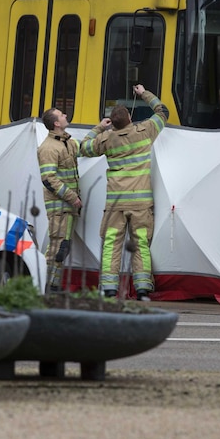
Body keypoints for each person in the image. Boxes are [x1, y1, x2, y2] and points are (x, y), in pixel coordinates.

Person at [79, 84, 169, 300]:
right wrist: (143, 93)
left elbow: (83, 147)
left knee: (111, 243)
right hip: (141, 203)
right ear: (130, 117)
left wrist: (100, 127)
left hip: (115, 204)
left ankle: (109, 289)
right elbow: (162, 112)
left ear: (114, 122)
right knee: (140, 244)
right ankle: (143, 289)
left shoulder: (107, 139)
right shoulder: (145, 131)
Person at [38, 107, 82, 293]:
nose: (65, 115)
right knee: (57, 246)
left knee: (62, 246)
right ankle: (47, 286)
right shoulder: (48, 148)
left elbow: (85, 147)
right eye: (62, 114)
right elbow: (48, 179)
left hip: (67, 206)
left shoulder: (67, 142)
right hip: (59, 206)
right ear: (56, 123)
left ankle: (53, 286)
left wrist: (101, 129)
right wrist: (73, 198)